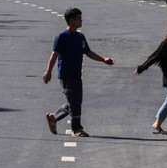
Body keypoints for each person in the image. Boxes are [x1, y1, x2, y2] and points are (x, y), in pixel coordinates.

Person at [43, 7, 114, 137]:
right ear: (71, 20)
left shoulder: (80, 36)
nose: (81, 20)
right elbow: (54, 55)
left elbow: (88, 52)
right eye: (78, 18)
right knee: (74, 102)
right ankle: (77, 129)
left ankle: (54, 117)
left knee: (76, 102)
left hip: (77, 75)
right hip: (66, 75)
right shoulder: (62, 37)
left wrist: (104, 59)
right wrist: (48, 71)